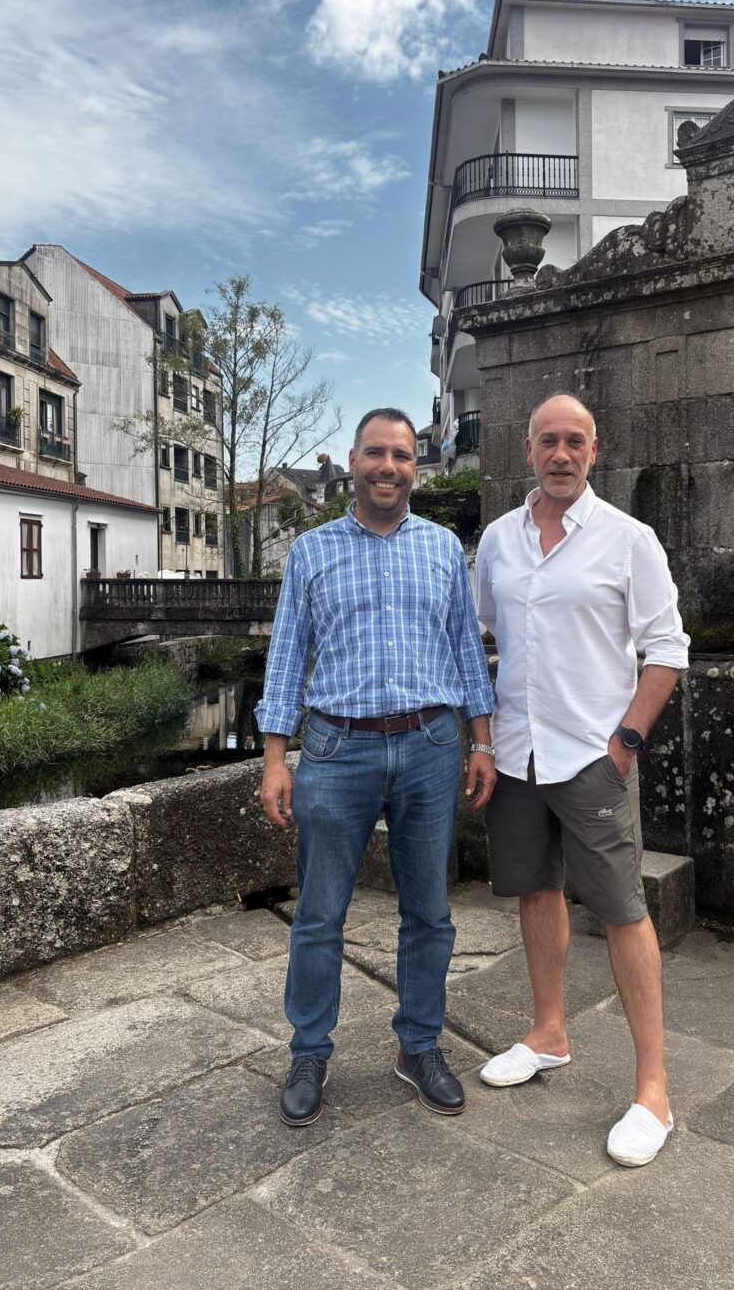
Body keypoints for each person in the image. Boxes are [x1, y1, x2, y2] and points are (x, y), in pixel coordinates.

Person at [257, 407, 496, 1127]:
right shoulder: (311, 552)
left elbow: (466, 651)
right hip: (337, 749)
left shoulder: (443, 548)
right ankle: (309, 1051)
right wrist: (275, 758)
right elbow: (286, 657)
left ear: (415, 467)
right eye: (375, 454)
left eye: (402, 455)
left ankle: (419, 1046)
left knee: (429, 913)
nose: (389, 467)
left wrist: (482, 743)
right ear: (353, 463)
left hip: (430, 747)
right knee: (320, 914)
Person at [474, 393, 689, 1167]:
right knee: (536, 892)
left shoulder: (628, 540)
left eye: (575, 441)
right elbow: (477, 638)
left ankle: (654, 1090)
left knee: (624, 911)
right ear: (528, 451)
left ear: (594, 451)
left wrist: (624, 743)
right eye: (548, 441)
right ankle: (548, 1033)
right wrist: (481, 739)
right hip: (517, 753)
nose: (561, 454)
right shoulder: (497, 541)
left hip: (592, 758)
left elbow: (668, 647)